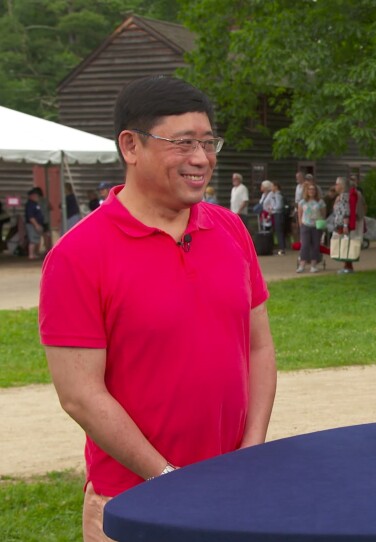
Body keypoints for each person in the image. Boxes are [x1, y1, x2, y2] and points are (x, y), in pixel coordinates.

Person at [39, 75, 277, 542]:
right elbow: (80, 395)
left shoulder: (231, 231)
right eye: (183, 143)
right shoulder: (77, 256)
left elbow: (260, 347)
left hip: (232, 489)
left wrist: (250, 454)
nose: (201, 158)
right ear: (130, 145)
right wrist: (170, 479)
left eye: (209, 143)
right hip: (133, 502)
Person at [329, 176, 363, 274]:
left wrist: (345, 225)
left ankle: (348, 267)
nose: (335, 186)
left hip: (343, 225)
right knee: (344, 244)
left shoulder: (344, 197)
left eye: (336, 184)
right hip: (341, 224)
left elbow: (346, 211)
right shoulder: (341, 197)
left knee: (345, 244)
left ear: (341, 186)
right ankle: (347, 266)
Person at [297, 181, 325, 273]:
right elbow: (300, 214)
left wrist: (320, 223)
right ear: (306, 191)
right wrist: (301, 224)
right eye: (309, 189)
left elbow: (323, 214)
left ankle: (313, 265)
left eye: (313, 189)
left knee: (315, 245)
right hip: (305, 225)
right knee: (304, 245)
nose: (311, 191)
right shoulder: (302, 202)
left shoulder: (320, 202)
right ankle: (302, 264)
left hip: (316, 226)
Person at [24, 187, 45, 259]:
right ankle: (31, 254)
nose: (37, 197)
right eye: (36, 195)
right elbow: (31, 217)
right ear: (32, 196)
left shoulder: (35, 204)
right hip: (32, 225)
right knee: (32, 240)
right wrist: (36, 225)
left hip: (37, 224)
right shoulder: (30, 204)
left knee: (36, 239)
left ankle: (34, 253)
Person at [271, 181, 287, 255]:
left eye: (273, 186)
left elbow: (279, 206)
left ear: (276, 187)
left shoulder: (278, 195)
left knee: (279, 231)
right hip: (278, 214)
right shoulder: (276, 195)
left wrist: (272, 208)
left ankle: (282, 248)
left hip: (278, 214)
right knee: (279, 231)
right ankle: (282, 247)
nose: (272, 188)